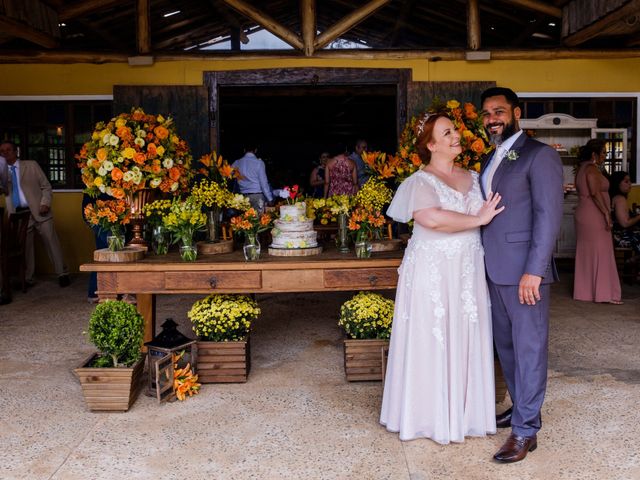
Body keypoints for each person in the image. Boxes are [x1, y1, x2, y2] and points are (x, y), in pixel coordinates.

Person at [380, 113, 504, 444]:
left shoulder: (476, 177)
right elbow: (431, 218)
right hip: (433, 269)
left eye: (455, 130)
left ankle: (466, 414)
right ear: (431, 145)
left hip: (467, 268)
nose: (456, 136)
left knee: (466, 330)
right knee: (431, 333)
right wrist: (477, 218)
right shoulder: (419, 181)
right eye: (446, 132)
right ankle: (427, 416)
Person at [480, 87, 563, 463]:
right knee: (508, 348)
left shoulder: (539, 155)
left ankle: (526, 431)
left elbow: (549, 216)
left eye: (498, 111)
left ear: (516, 112)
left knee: (529, 349)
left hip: (525, 273)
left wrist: (535, 270)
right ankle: (522, 407)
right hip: (493, 269)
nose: (492, 118)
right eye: (486, 113)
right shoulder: (489, 157)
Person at [0, 141, 69, 287]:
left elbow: (46, 187)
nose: (5, 153)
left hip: (40, 210)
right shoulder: (2, 172)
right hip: (19, 214)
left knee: (51, 242)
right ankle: (28, 277)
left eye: (8, 150)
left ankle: (62, 273)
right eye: (2, 151)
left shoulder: (31, 165)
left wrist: (45, 203)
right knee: (26, 248)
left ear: (16, 151)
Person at [573, 139, 622, 304]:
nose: (605, 157)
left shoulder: (581, 168)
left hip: (584, 212)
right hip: (594, 214)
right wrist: (606, 213)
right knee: (602, 252)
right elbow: (594, 193)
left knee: (588, 253)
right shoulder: (592, 169)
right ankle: (604, 294)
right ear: (594, 154)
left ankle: (585, 292)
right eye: (603, 153)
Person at [231, 143, 273, 213]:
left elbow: (227, 175)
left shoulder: (237, 163)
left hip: (243, 198)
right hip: (257, 197)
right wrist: (269, 199)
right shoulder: (259, 163)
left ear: (244, 150)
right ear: (255, 150)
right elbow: (263, 183)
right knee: (258, 222)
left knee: (244, 222)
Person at [609, 170, 640, 255]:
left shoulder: (615, 197)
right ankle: (633, 260)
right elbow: (625, 223)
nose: (630, 184)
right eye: (626, 181)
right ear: (617, 183)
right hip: (621, 237)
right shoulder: (619, 199)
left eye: (630, 181)